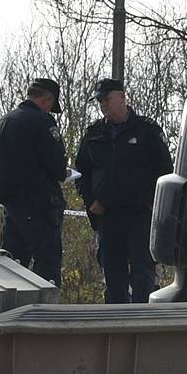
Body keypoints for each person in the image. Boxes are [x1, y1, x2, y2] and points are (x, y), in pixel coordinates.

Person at [74, 77, 173, 304]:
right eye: (100, 101)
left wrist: (152, 204)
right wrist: (91, 201)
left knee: (143, 273)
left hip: (140, 214)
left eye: (107, 99)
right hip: (108, 216)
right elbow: (82, 173)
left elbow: (165, 171)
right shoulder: (94, 133)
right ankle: (114, 325)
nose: (103, 105)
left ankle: (141, 325)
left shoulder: (147, 130)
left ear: (122, 98)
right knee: (112, 274)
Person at [0, 77, 67, 285]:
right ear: (47, 100)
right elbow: (57, 165)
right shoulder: (42, 122)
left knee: (12, 265)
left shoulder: (2, 123)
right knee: (47, 264)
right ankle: (44, 313)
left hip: (11, 207)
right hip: (39, 204)